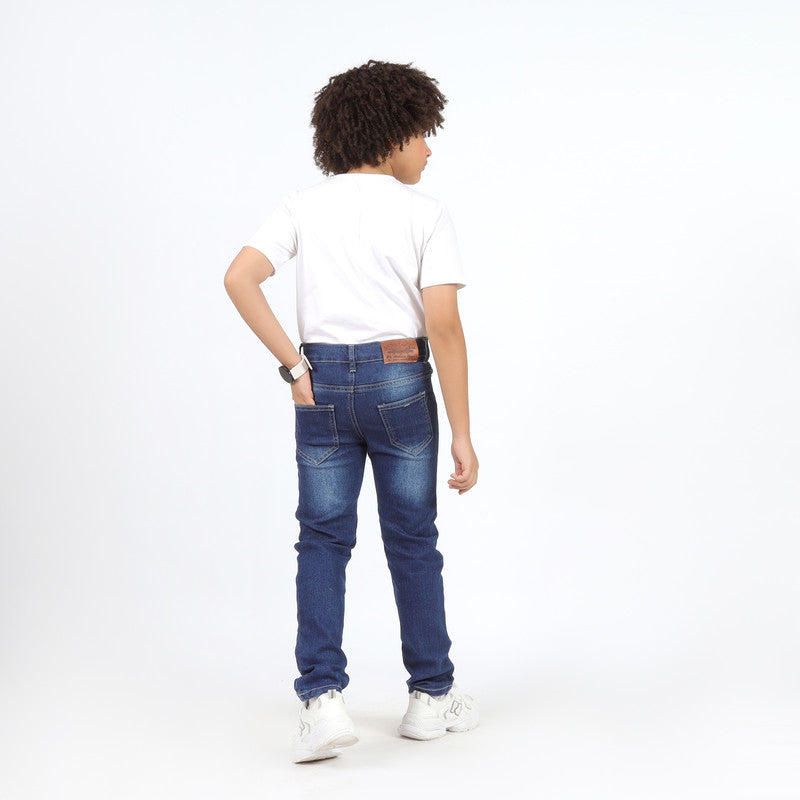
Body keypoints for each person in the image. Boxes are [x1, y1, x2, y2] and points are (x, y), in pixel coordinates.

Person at [223, 59, 479, 763]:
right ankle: (430, 697)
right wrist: (462, 433)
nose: (428, 149)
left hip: (323, 385)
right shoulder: (426, 213)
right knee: (413, 540)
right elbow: (445, 327)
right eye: (423, 133)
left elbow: (239, 278)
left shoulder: (302, 205)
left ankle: (322, 701)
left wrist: (295, 366)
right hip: (400, 383)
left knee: (322, 539)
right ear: (392, 134)